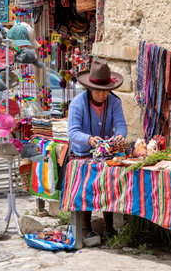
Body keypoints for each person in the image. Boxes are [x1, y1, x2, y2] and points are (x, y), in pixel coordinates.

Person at [68, 58, 127, 244]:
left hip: (104, 154)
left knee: (107, 186)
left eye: (106, 91)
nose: (102, 95)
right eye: (98, 91)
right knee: (84, 190)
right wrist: (89, 139)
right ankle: (85, 229)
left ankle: (109, 227)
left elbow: (121, 125)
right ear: (89, 88)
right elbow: (73, 132)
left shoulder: (114, 102)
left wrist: (120, 136)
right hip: (82, 153)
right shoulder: (78, 104)